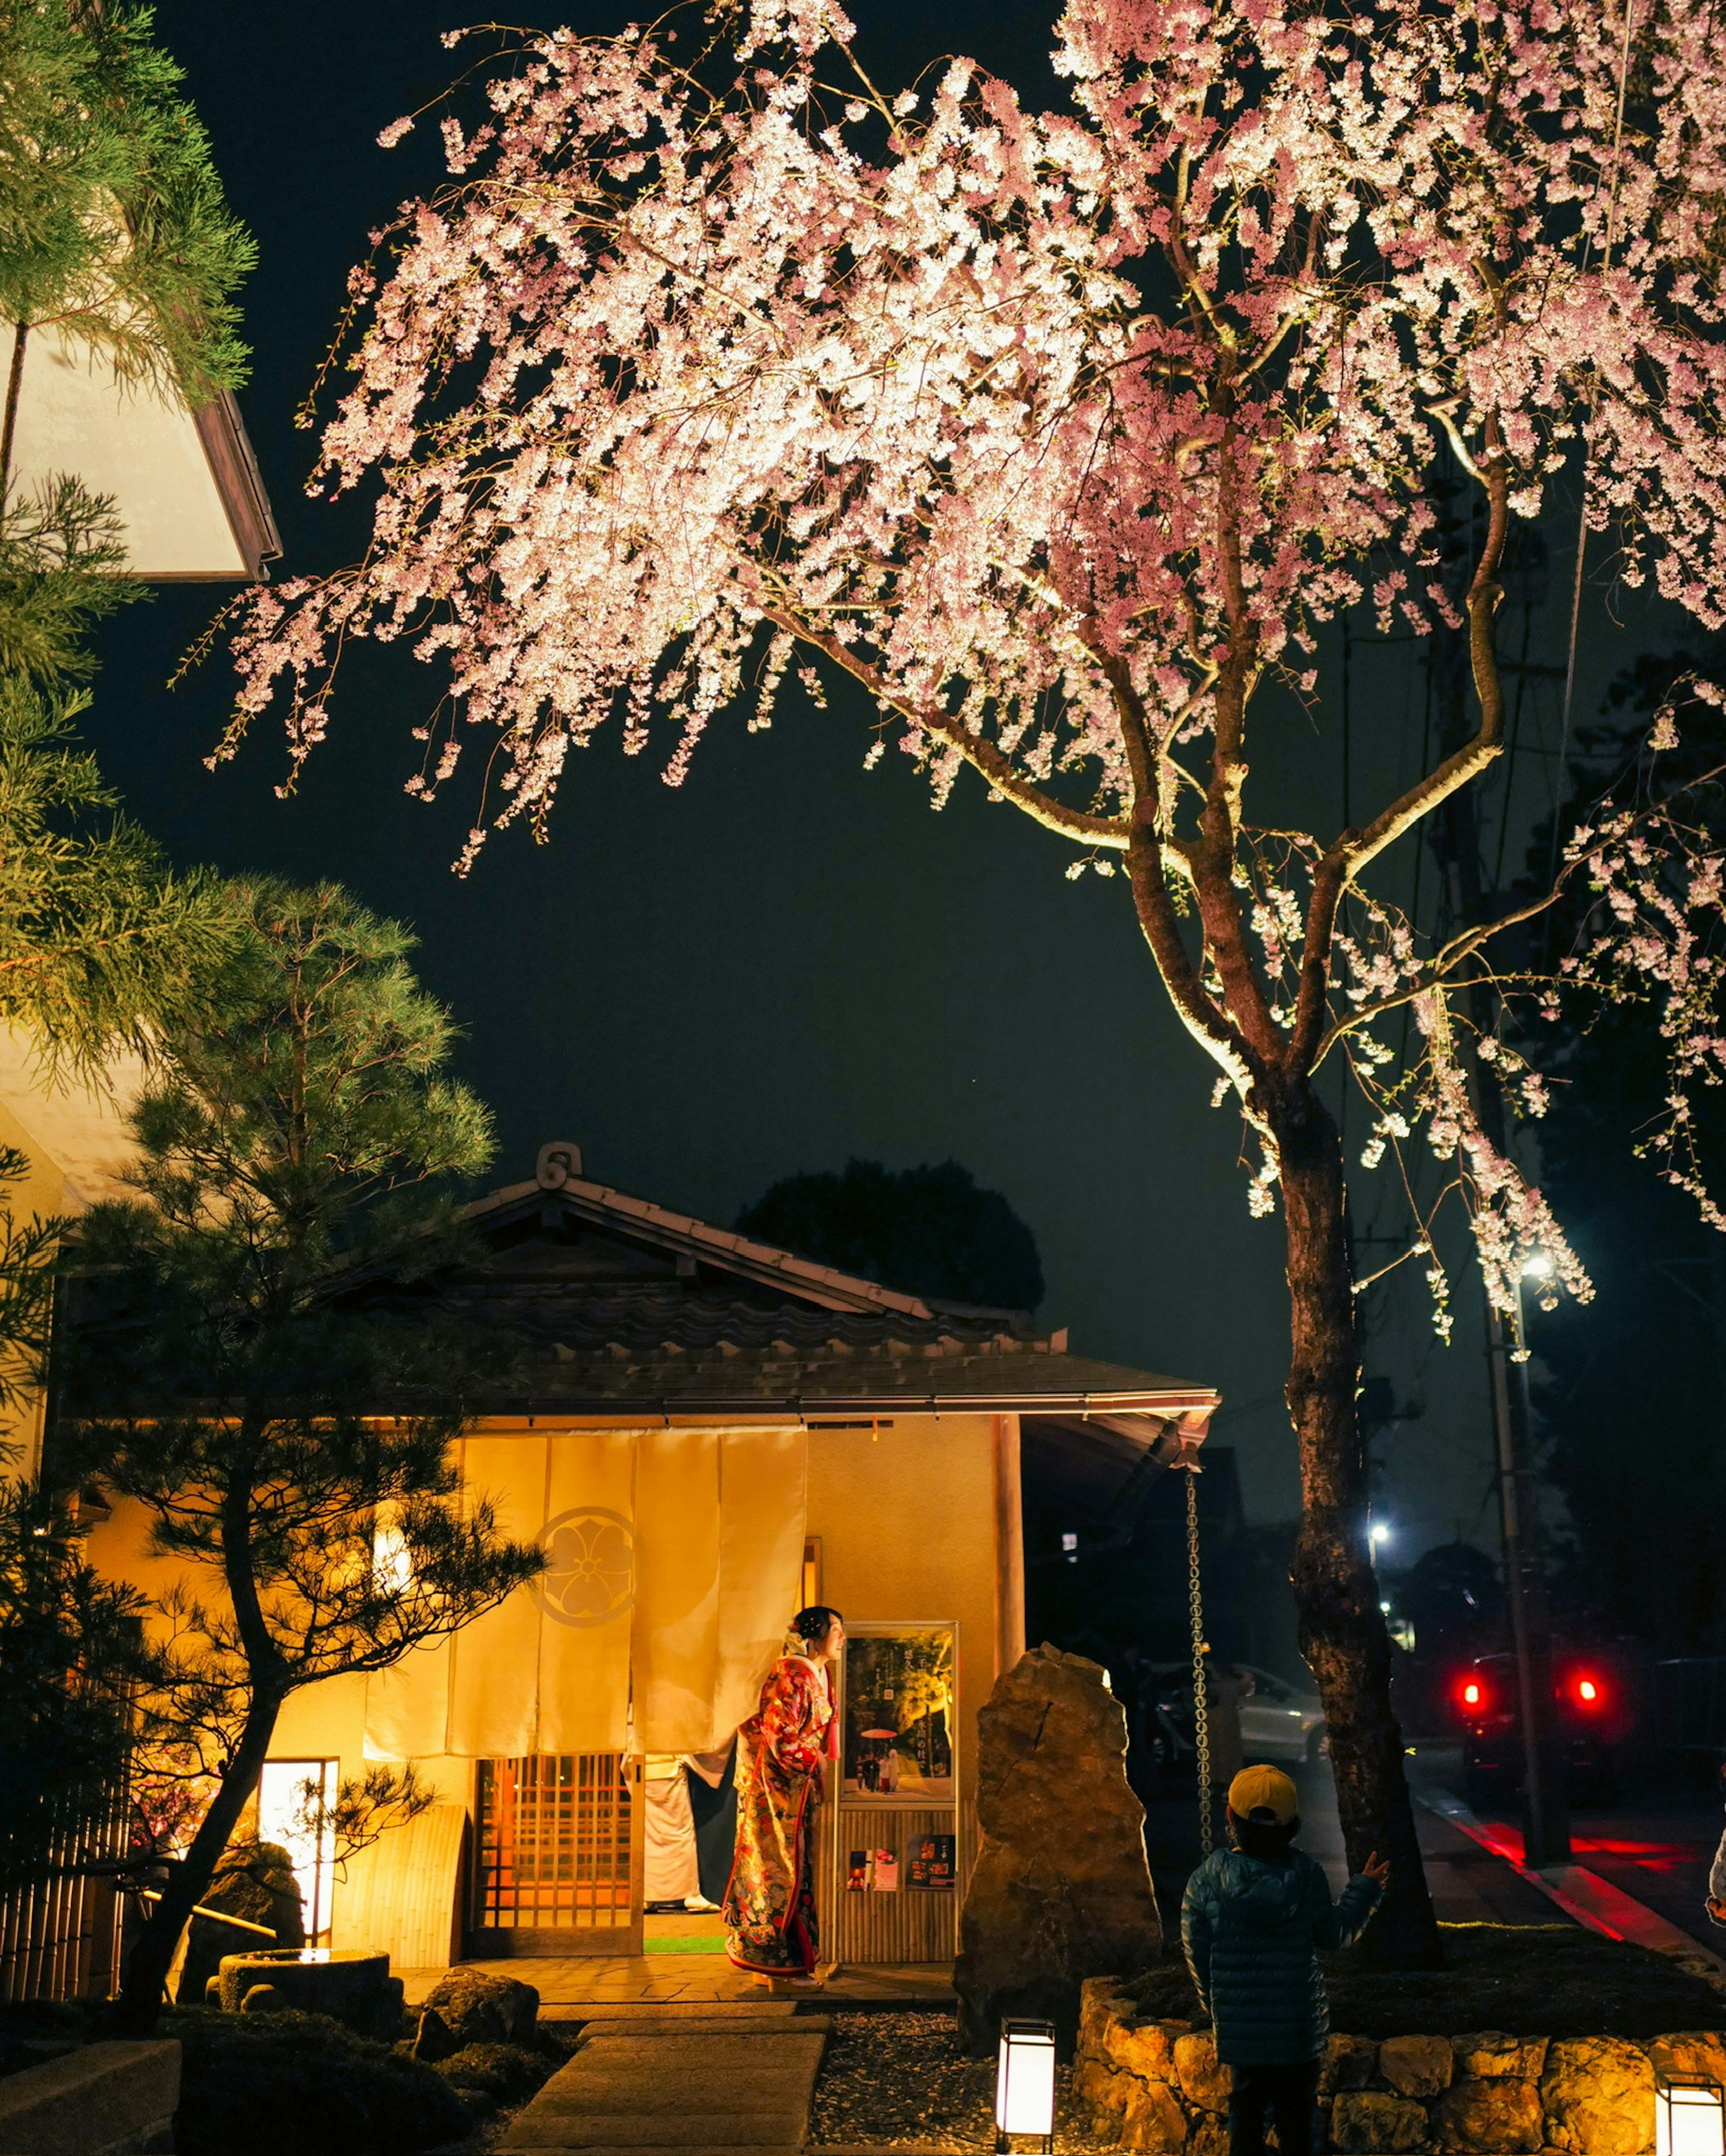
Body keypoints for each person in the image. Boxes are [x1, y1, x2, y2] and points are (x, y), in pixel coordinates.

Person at [1181, 1765, 1389, 2156]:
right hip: (1297, 2028)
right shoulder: (1305, 1874)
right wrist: (1364, 1891)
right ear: (1292, 1824)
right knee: (1298, 2121)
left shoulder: (1206, 1879)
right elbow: (1334, 1933)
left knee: (1246, 2115)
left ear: (1230, 1817)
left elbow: (1197, 1951)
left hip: (1242, 2029)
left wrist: (1220, 2009)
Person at [722, 1604, 844, 1989]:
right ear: (815, 1635)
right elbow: (779, 1735)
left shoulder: (818, 1673)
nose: (842, 1637)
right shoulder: (791, 1673)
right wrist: (817, 1761)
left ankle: (775, 1966)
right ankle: (781, 1968)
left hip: (796, 1787)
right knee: (778, 1873)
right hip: (774, 1789)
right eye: (836, 1630)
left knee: (790, 1870)